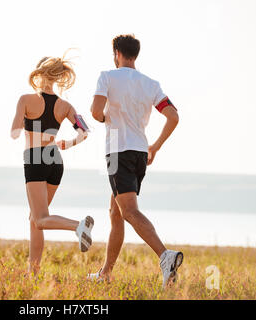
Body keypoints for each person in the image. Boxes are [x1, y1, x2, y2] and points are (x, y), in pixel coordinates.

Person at [89, 34, 183, 289]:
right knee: (116, 212)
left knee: (128, 211)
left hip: (117, 151)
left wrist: (105, 118)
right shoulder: (151, 83)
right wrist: (156, 147)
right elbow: (173, 116)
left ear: (116, 53)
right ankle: (105, 272)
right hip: (141, 152)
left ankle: (166, 257)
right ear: (135, 55)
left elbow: (96, 112)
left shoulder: (107, 76)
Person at [10, 54, 94, 275]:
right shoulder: (65, 105)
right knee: (35, 218)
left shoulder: (25, 99)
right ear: (57, 77)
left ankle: (79, 225)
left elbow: (14, 133)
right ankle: (33, 273)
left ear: (38, 73)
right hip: (55, 159)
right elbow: (85, 132)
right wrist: (68, 143)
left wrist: (23, 121)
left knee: (40, 219)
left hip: (35, 158)